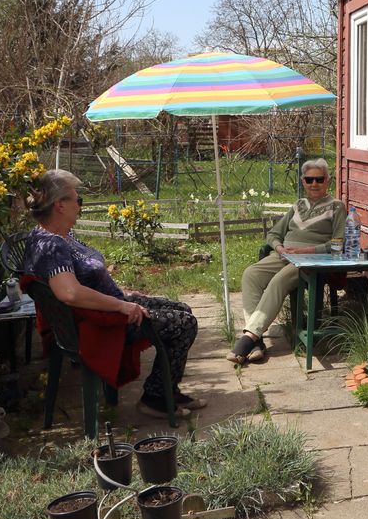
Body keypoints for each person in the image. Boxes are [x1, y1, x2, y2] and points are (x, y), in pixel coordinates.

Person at [22, 169, 205, 418]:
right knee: (184, 323)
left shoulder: (59, 237)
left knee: (182, 308)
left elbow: (86, 280)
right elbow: (69, 293)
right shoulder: (50, 245)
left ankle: (165, 389)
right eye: (78, 200)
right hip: (97, 324)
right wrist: (122, 306)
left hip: (104, 308)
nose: (80, 206)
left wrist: (124, 293)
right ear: (60, 205)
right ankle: (156, 398)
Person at [228, 158, 346, 365]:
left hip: (310, 260)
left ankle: (249, 337)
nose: (314, 184)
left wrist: (306, 250)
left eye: (319, 179)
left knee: (278, 281)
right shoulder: (298, 206)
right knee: (250, 274)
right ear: (303, 181)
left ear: (328, 180)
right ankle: (256, 341)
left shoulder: (336, 207)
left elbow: (338, 243)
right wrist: (280, 248)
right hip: (284, 255)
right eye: (309, 180)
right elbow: (274, 233)